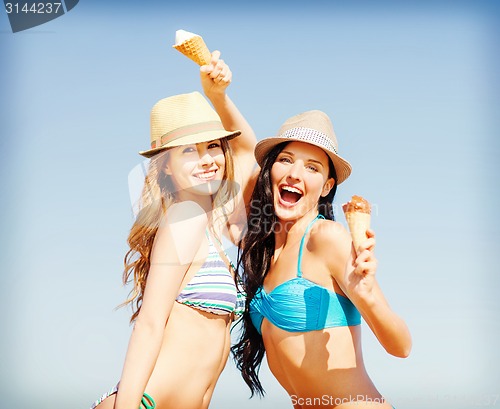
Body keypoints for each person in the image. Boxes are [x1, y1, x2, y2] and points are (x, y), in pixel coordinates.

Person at [90, 51, 257, 409]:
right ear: (166, 167)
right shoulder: (186, 217)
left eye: (213, 146)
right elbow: (149, 324)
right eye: (189, 152)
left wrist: (219, 95)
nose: (207, 159)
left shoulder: (212, 224)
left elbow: (248, 152)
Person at [233, 110, 412, 408]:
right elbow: (240, 149)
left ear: (327, 187)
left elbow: (402, 346)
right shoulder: (263, 250)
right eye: (286, 160)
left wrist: (366, 295)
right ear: (269, 171)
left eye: (313, 168)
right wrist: (218, 94)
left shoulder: (326, 237)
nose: (295, 174)